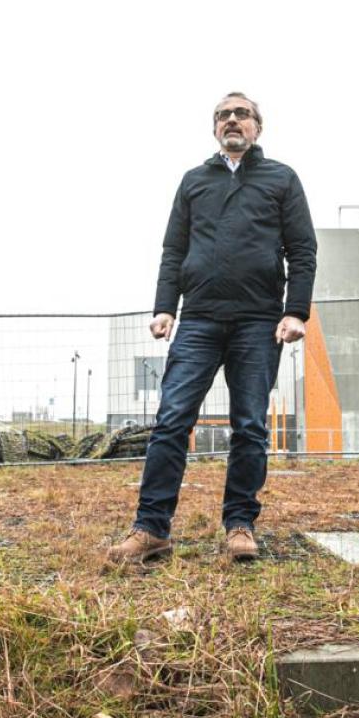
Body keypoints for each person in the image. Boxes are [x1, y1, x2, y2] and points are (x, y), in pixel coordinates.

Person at [107, 92, 317, 566]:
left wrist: (295, 312)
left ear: (258, 126)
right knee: (172, 421)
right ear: (215, 129)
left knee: (249, 426)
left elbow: (302, 250)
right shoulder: (194, 181)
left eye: (241, 113)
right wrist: (166, 307)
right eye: (223, 115)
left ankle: (240, 525)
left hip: (259, 321)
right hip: (199, 318)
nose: (232, 120)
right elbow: (172, 251)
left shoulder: (281, 179)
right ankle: (151, 529)